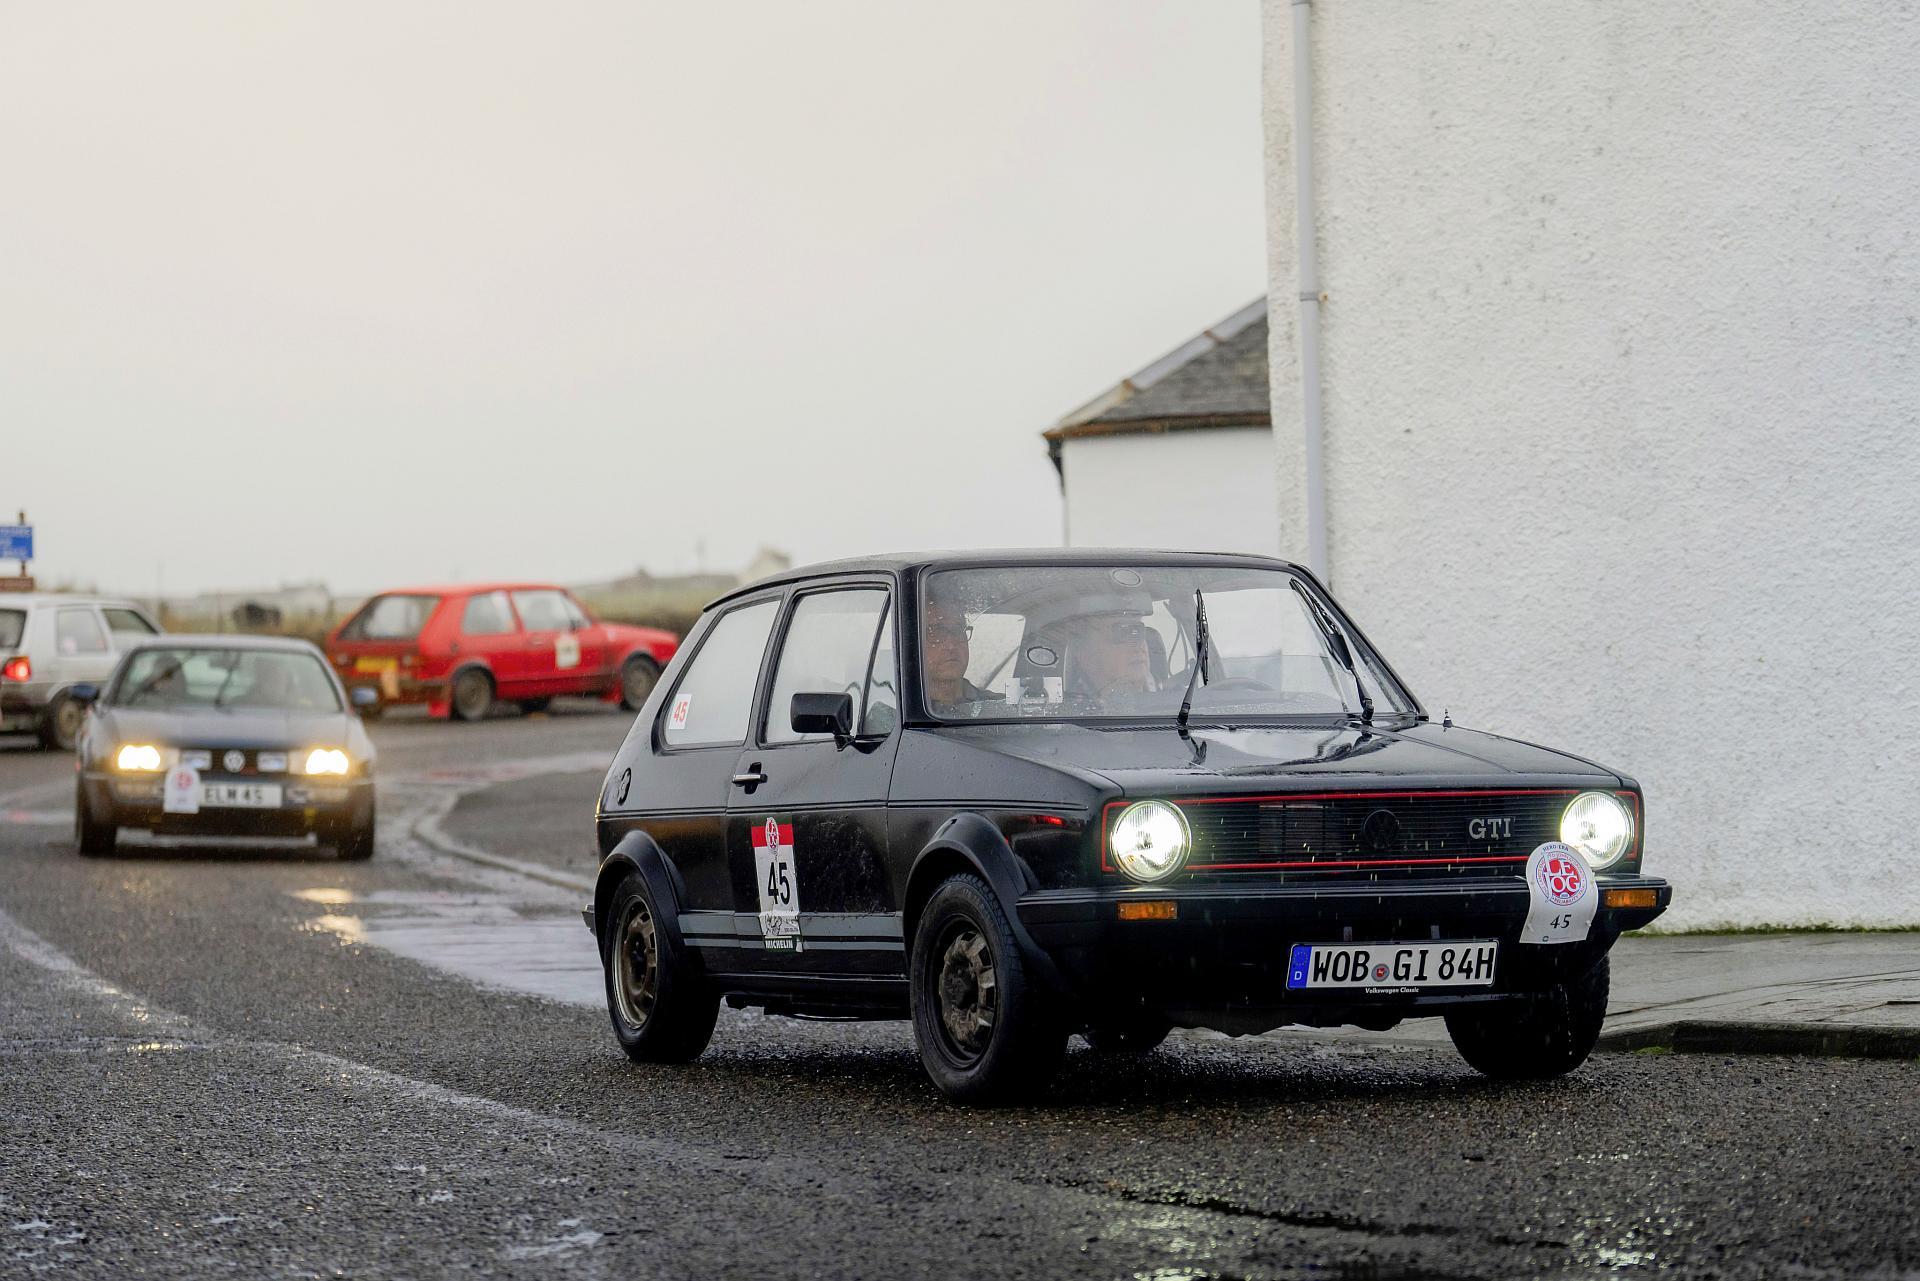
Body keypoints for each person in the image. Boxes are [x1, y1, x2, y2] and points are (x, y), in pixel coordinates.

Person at [1063, 609, 1157, 713]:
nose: (1138, 646)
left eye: (1139, 633)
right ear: (1086, 655)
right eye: (1123, 634)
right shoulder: (1069, 718)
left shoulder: (1173, 705)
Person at [923, 598, 1003, 717]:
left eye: (958, 630)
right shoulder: (896, 713)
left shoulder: (999, 709)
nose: (951, 645)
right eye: (936, 632)